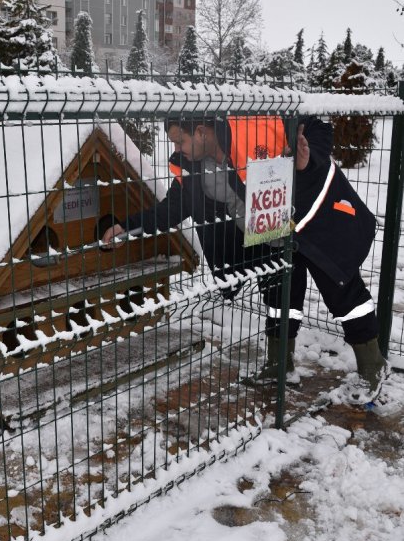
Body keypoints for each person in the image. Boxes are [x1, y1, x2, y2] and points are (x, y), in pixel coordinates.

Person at [103, 114, 389, 402]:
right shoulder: (190, 167)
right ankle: (279, 367)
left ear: (202, 132)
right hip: (270, 237)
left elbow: (320, 126)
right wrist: (126, 228)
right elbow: (171, 211)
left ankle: (372, 367)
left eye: (181, 140)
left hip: (313, 224)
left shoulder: (254, 126)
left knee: (345, 298)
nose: (177, 149)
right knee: (280, 301)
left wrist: (307, 157)